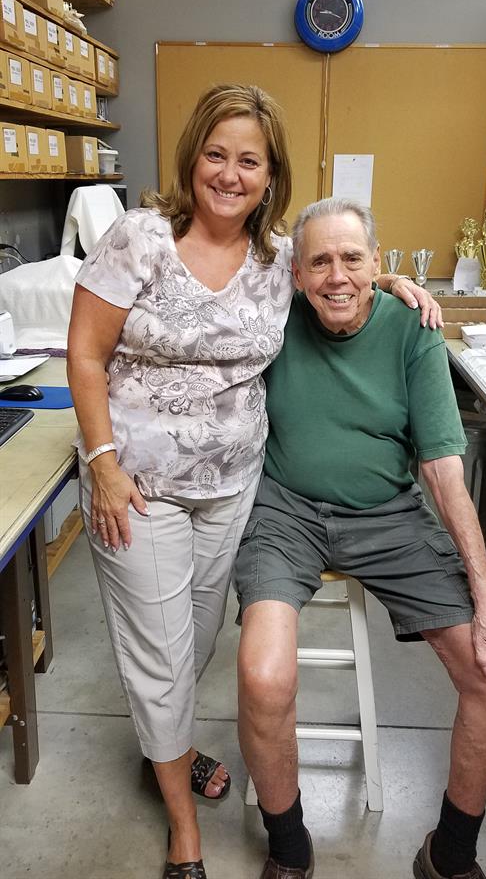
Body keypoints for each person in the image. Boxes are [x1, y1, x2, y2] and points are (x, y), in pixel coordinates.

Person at [67, 84, 440, 879]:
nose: (229, 174)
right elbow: (86, 354)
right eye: (216, 154)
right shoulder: (139, 238)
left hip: (233, 490)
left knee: (193, 644)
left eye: (249, 161)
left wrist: (390, 287)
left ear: (271, 176)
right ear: (191, 157)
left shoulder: (275, 260)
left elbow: (333, 279)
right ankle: (183, 829)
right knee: (159, 656)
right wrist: (101, 465)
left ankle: (166, 750)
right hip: (136, 487)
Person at [235, 197, 486, 879]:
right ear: (295, 273)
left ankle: (448, 854)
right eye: (319, 261)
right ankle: (288, 847)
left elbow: (442, 470)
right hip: (284, 517)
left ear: (377, 261)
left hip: (388, 516)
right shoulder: (271, 314)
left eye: (353, 258)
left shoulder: (413, 329)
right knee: (262, 674)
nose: (337, 276)